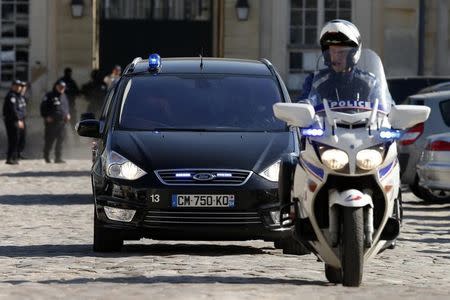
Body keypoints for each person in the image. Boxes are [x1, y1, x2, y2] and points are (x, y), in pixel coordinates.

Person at [297, 19, 378, 104]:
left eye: (341, 52)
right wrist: (305, 104)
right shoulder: (315, 81)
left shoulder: (369, 82)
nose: (336, 57)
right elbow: (305, 104)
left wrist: (391, 109)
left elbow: (384, 107)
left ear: (353, 54)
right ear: (327, 54)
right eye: (333, 51)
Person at [40, 80, 71, 163]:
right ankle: (46, 156)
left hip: (62, 122)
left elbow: (66, 107)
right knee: (49, 140)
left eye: (63, 87)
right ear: (56, 86)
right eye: (60, 87)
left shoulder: (64, 96)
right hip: (51, 123)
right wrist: (46, 116)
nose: (62, 89)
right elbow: (43, 107)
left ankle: (58, 157)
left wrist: (67, 114)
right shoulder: (49, 95)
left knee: (60, 141)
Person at [2, 80, 24, 164]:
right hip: (12, 120)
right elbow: (13, 110)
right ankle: (10, 158)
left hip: (16, 120)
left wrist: (21, 119)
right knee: (13, 139)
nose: (19, 87)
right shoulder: (12, 96)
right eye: (16, 86)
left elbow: (21, 109)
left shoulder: (18, 96)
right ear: (12, 86)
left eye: (20, 86)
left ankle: (14, 157)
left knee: (16, 139)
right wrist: (18, 120)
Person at [17, 80, 28, 160]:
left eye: (25, 87)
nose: (23, 89)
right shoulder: (15, 97)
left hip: (23, 119)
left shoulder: (23, 97)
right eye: (22, 87)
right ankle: (15, 154)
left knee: (23, 137)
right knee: (17, 137)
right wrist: (18, 119)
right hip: (17, 120)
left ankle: (19, 153)